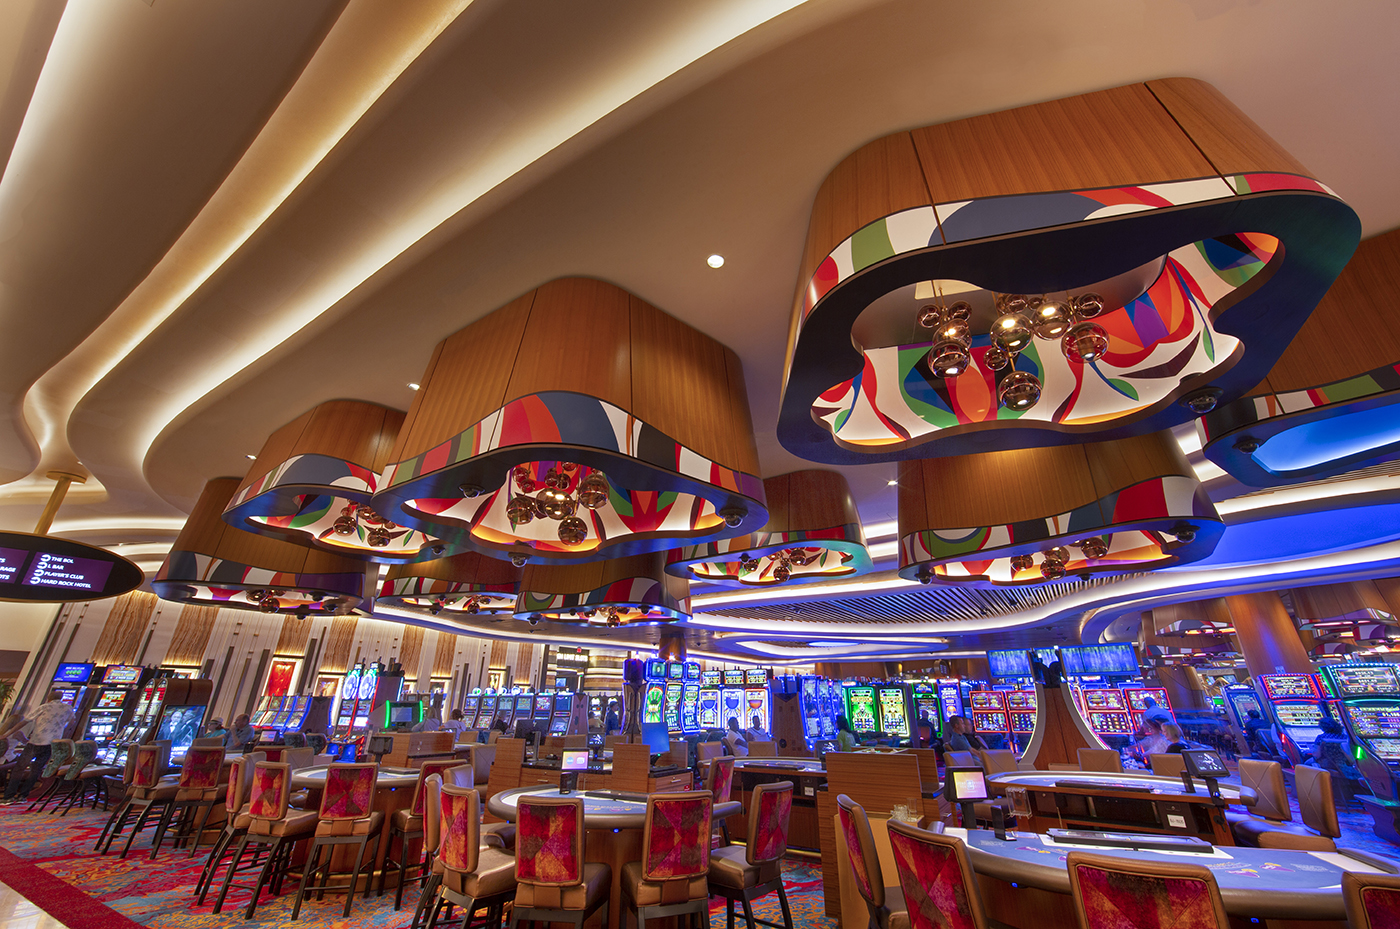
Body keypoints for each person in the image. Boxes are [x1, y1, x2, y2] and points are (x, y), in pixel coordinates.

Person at [3, 690, 75, 803]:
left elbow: (25, 721)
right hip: (52, 743)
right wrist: (62, 733)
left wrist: (7, 734)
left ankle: (8, 797)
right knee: (36, 770)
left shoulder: (44, 707)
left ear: (48, 698)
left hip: (36, 741)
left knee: (19, 769)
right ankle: (23, 796)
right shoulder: (68, 709)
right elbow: (71, 722)